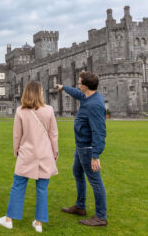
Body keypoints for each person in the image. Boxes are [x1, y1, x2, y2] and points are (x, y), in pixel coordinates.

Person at [0, 81, 59, 233]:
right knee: (42, 189)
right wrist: (55, 152)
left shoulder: (20, 111)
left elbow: (17, 134)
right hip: (45, 153)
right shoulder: (49, 110)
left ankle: (9, 219)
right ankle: (38, 223)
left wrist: (16, 150)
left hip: (27, 153)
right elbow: (54, 134)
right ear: (38, 93)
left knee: (18, 186)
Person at [57, 71, 108, 226]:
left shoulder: (94, 104)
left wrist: (95, 155)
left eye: (79, 83)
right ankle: (80, 206)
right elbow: (76, 93)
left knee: (95, 181)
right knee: (77, 172)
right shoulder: (87, 96)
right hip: (81, 146)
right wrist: (63, 87)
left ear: (85, 86)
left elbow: (99, 131)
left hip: (87, 148)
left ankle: (100, 217)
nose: (78, 85)